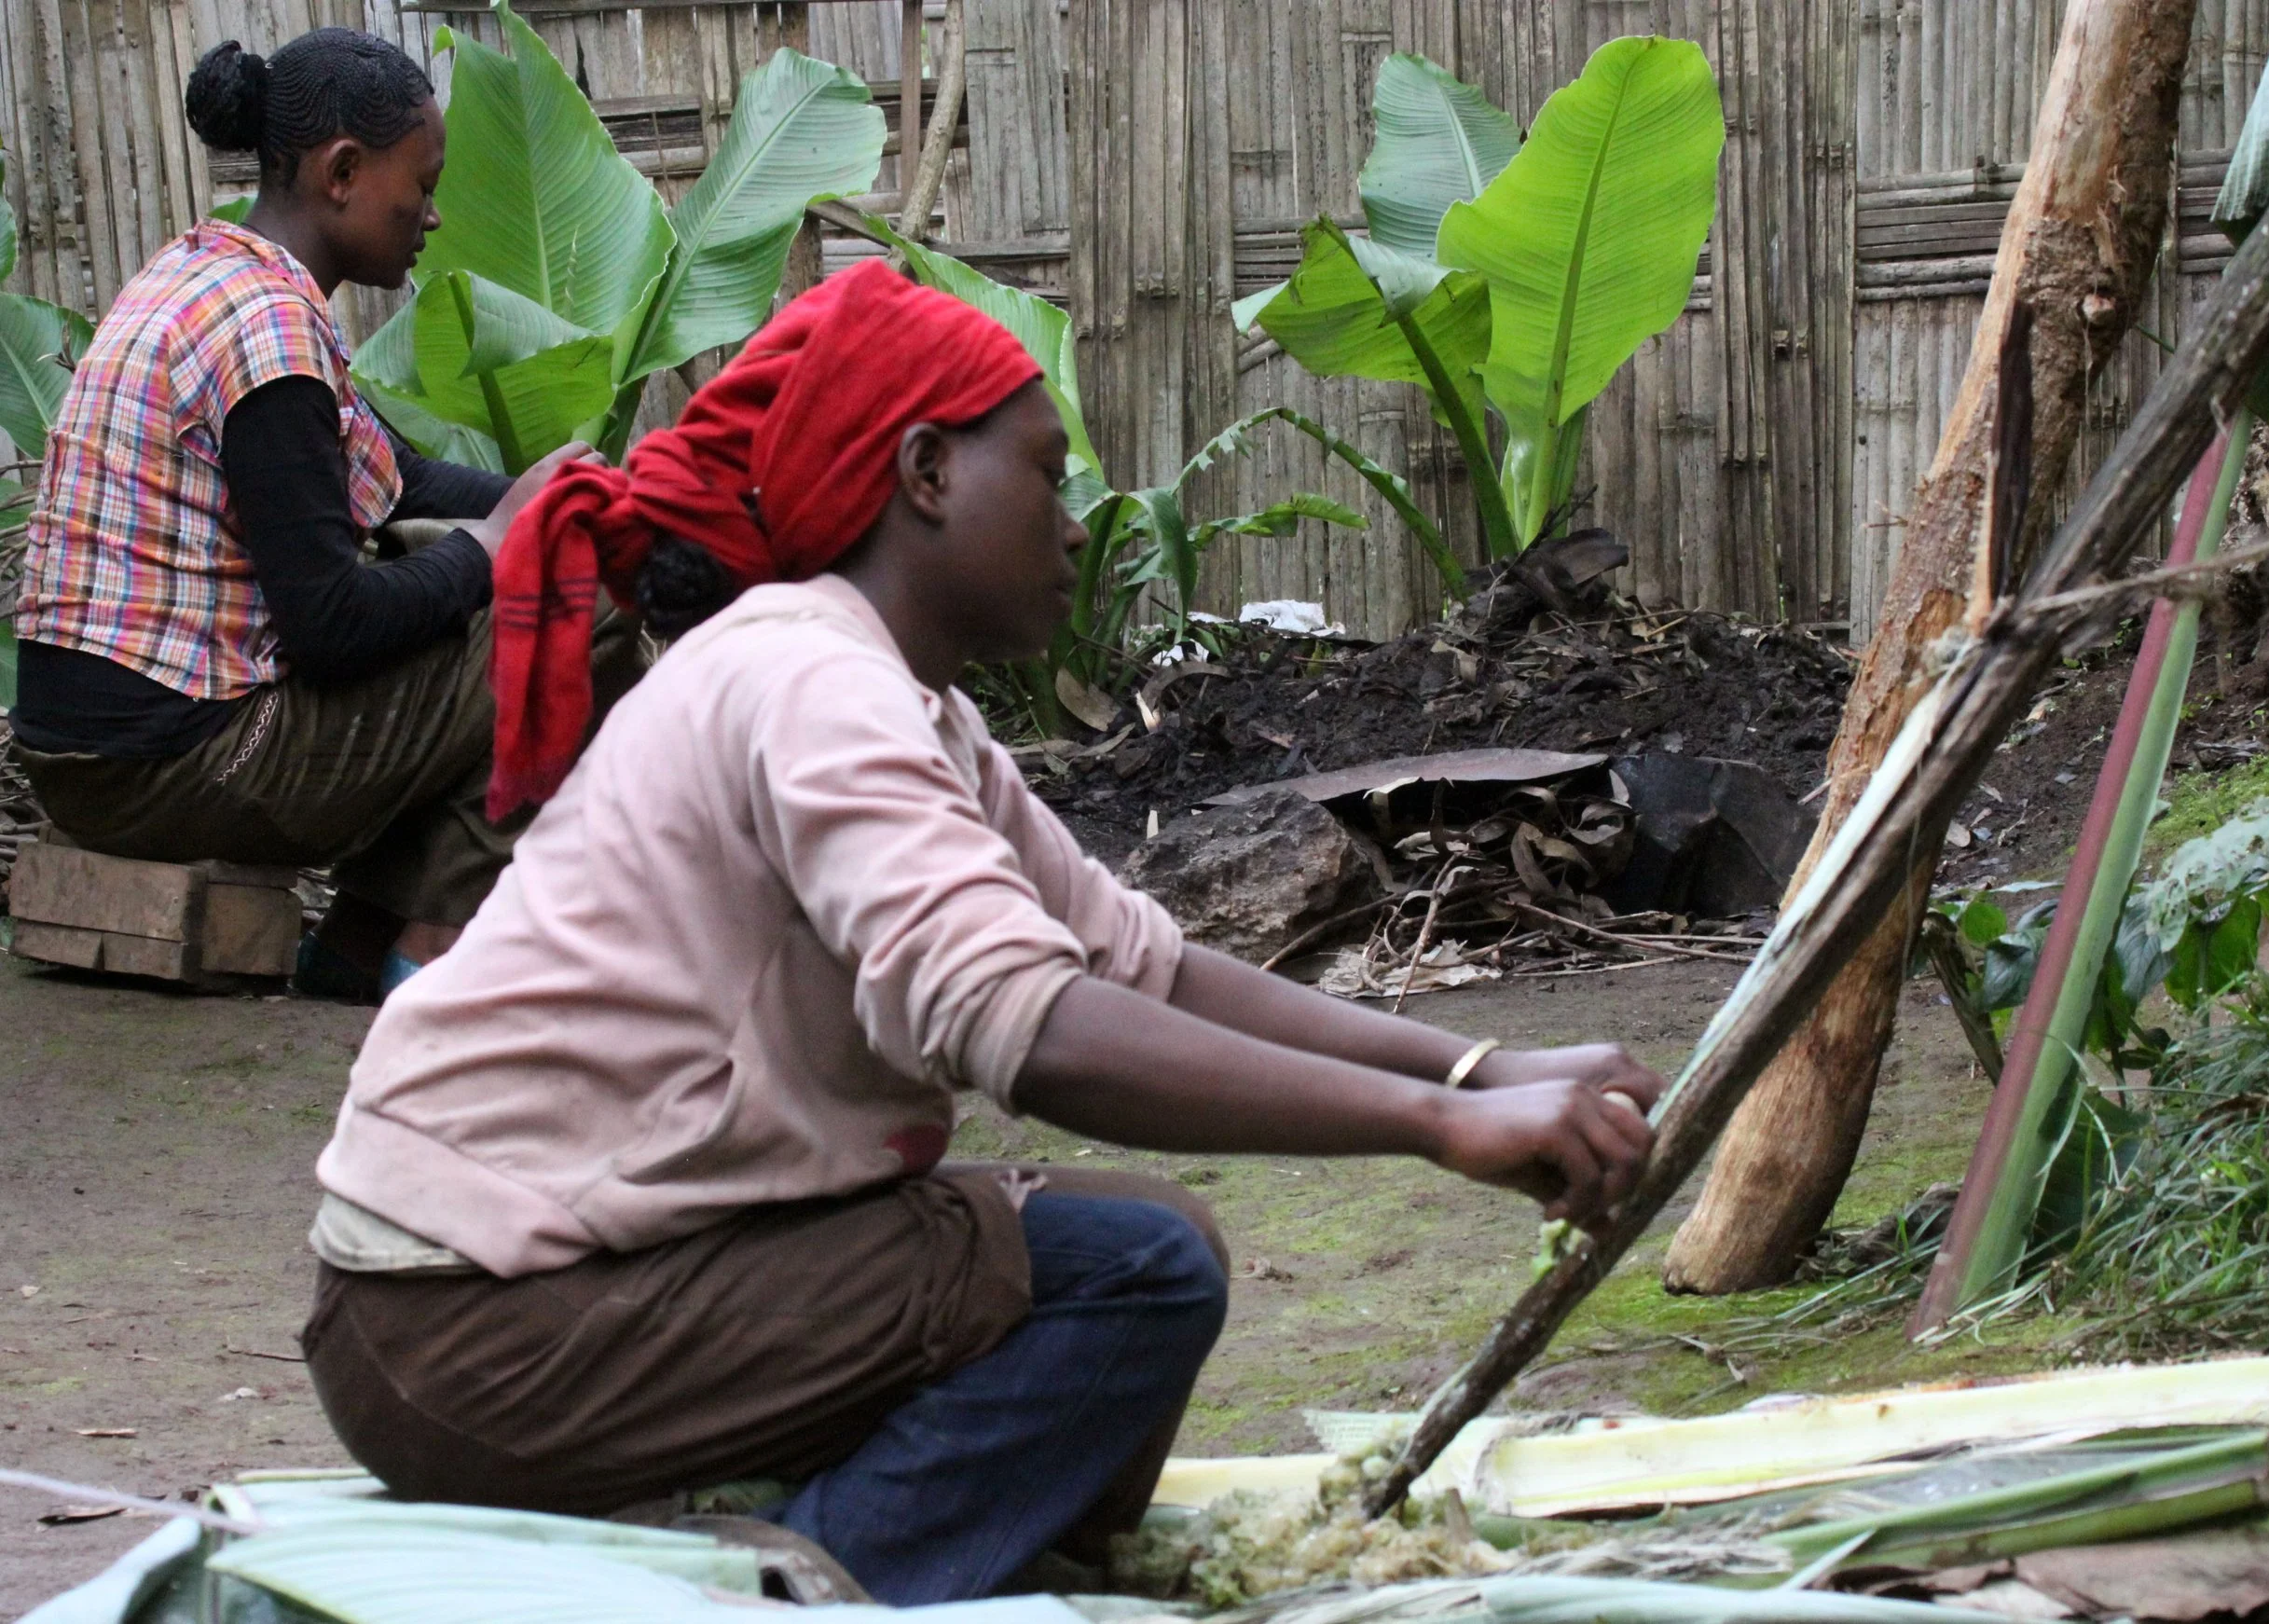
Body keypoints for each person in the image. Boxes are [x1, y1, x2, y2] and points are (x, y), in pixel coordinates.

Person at [298, 261, 1665, 1603]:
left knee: (1122, 1271)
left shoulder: (906, 704)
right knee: (1127, 1276)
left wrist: (1479, 1067)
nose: (1074, 528)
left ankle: (824, 1536)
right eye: (1047, 475)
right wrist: (1433, 1126)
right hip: (472, 1325)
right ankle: (801, 1586)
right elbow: (1030, 1027)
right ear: (926, 473)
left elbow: (1142, 965)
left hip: (506, 1304)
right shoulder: (806, 679)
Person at [6, 28, 596, 1000]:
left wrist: (562, 497)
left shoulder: (202, 271)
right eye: (422, 185)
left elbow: (397, 481)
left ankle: (358, 942)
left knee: (531, 552)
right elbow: (329, 626)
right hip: (176, 768)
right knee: (580, 597)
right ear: (343, 172)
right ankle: (429, 944)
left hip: (84, 761)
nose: (434, 215)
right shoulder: (270, 329)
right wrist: (500, 546)